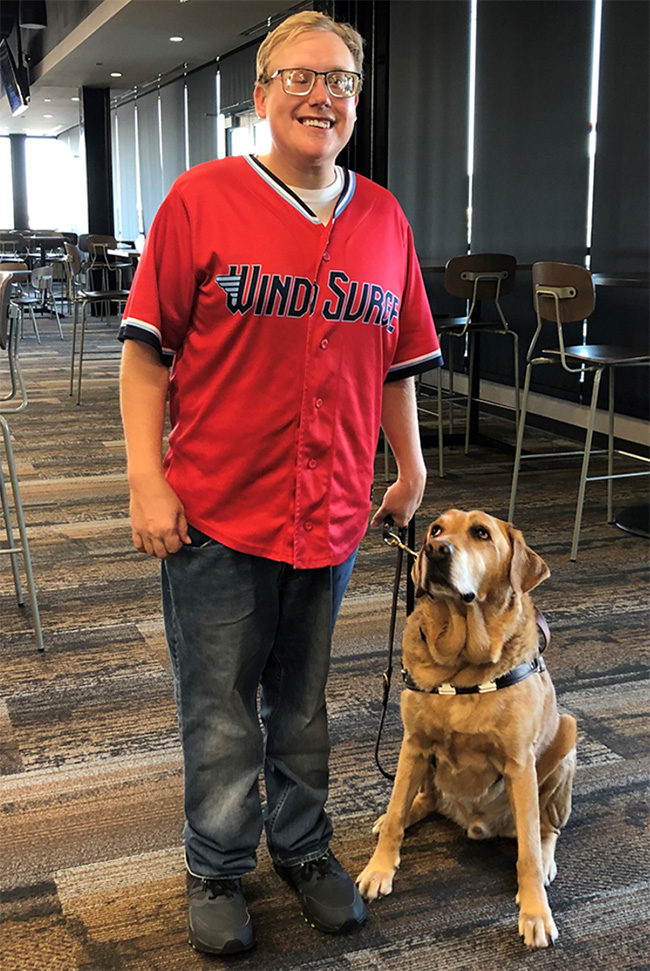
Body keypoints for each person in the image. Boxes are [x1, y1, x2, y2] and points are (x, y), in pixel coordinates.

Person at [118, 9, 440, 957]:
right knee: (218, 705)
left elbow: (396, 363)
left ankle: (301, 846)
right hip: (216, 508)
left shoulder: (383, 217)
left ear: (354, 102)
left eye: (339, 80)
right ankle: (216, 861)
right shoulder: (201, 200)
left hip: (333, 511)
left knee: (301, 701)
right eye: (300, 77)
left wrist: (411, 464)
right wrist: (146, 478)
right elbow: (145, 356)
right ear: (261, 95)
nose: (321, 95)